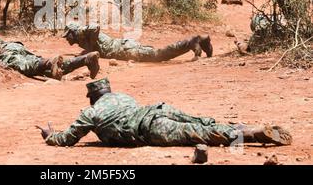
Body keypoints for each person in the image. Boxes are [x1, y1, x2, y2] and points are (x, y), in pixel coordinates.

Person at [37, 78, 292, 147]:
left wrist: (50, 135)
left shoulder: (90, 112)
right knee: (201, 120)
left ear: (92, 97)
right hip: (157, 110)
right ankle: (241, 126)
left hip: (149, 128)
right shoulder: (124, 96)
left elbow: (68, 139)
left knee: (200, 133)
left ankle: (251, 134)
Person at [0, 26, 100, 79]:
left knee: (28, 66)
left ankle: (48, 62)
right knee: (49, 70)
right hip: (13, 45)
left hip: (2, 52)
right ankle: (85, 60)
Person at [62, 23, 213, 62]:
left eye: (67, 35)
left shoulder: (86, 34)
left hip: (126, 49)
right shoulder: (84, 43)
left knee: (159, 55)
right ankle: (202, 42)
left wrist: (81, 30)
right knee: (160, 55)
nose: (67, 39)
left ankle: (193, 41)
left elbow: (95, 27)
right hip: (124, 49)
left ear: (74, 32)